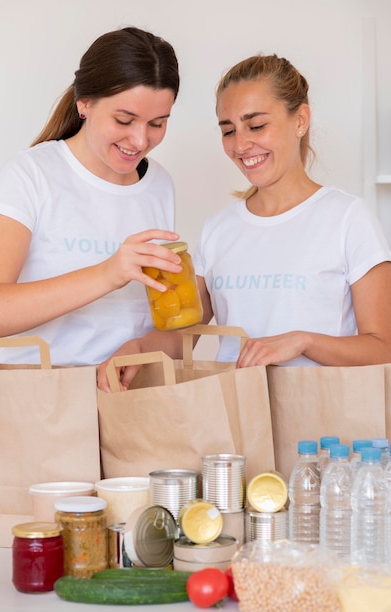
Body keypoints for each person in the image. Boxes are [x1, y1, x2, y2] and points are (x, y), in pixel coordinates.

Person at [97, 52, 391, 391]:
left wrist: (302, 341)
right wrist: (136, 350)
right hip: (237, 421)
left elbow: (382, 348)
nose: (240, 144)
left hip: (322, 432)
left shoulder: (347, 218)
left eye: (256, 125)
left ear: (301, 120)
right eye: (228, 131)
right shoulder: (219, 230)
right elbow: (185, 336)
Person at [0, 26, 183, 365]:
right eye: (124, 120)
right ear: (84, 103)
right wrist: (107, 273)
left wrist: (147, 346)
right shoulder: (31, 174)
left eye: (157, 123)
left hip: (131, 400)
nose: (141, 140)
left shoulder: (159, 184)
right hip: (41, 402)